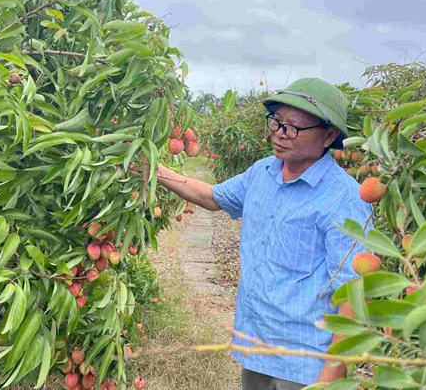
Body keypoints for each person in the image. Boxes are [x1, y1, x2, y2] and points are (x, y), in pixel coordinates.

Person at [157, 78, 372, 389]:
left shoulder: (345, 199)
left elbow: (353, 295)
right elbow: (212, 197)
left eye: (293, 128)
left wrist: (329, 379)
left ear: (329, 135)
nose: (280, 134)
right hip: (256, 346)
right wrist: (153, 169)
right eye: (277, 123)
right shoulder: (262, 172)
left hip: (305, 362)